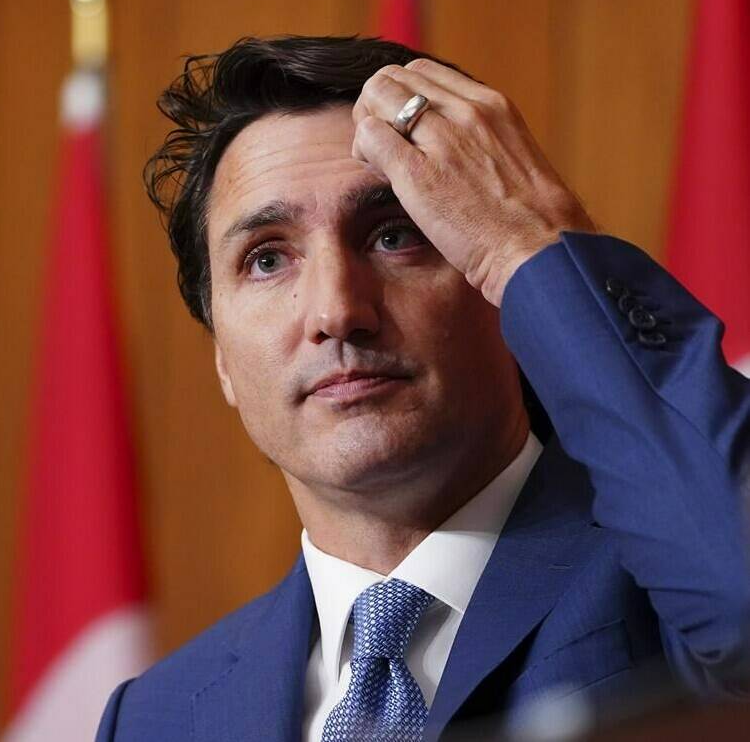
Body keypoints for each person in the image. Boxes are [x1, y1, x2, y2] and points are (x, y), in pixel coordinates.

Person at [93, 36, 750, 741]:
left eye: (394, 235)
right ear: (222, 356)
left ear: (497, 282)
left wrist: (532, 243)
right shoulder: (155, 717)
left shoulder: (671, 579)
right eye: (267, 258)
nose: (337, 310)